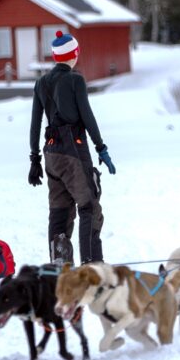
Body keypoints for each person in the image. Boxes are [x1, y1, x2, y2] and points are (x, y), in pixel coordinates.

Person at [28, 30, 117, 264]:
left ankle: (60, 268)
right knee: (89, 206)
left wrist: (34, 159)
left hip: (51, 154)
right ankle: (92, 265)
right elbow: (87, 116)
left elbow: (35, 123)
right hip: (73, 150)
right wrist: (101, 148)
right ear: (74, 53)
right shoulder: (75, 80)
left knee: (60, 211)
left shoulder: (41, 83)